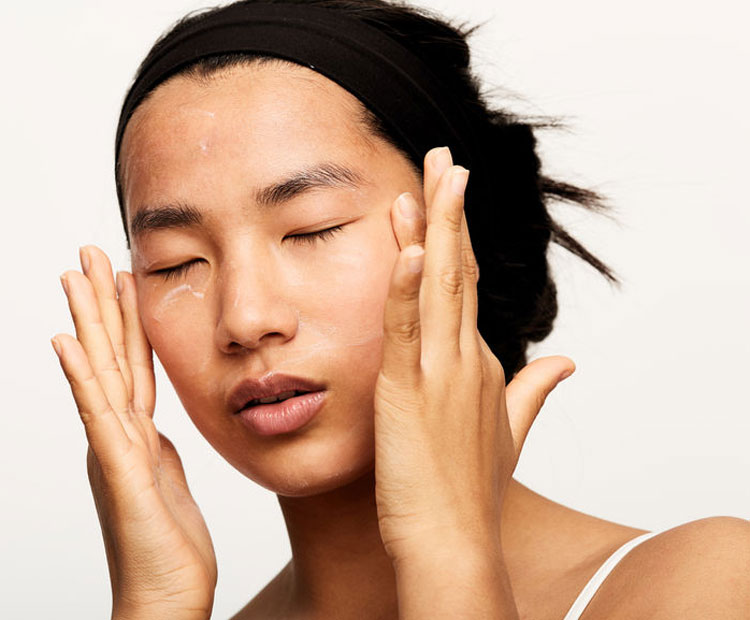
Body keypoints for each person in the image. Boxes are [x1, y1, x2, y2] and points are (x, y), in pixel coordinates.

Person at [50, 0, 750, 618]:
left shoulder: (704, 586)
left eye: (312, 228)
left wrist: (448, 556)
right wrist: (156, 606)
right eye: (175, 262)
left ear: (460, 236)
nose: (244, 318)